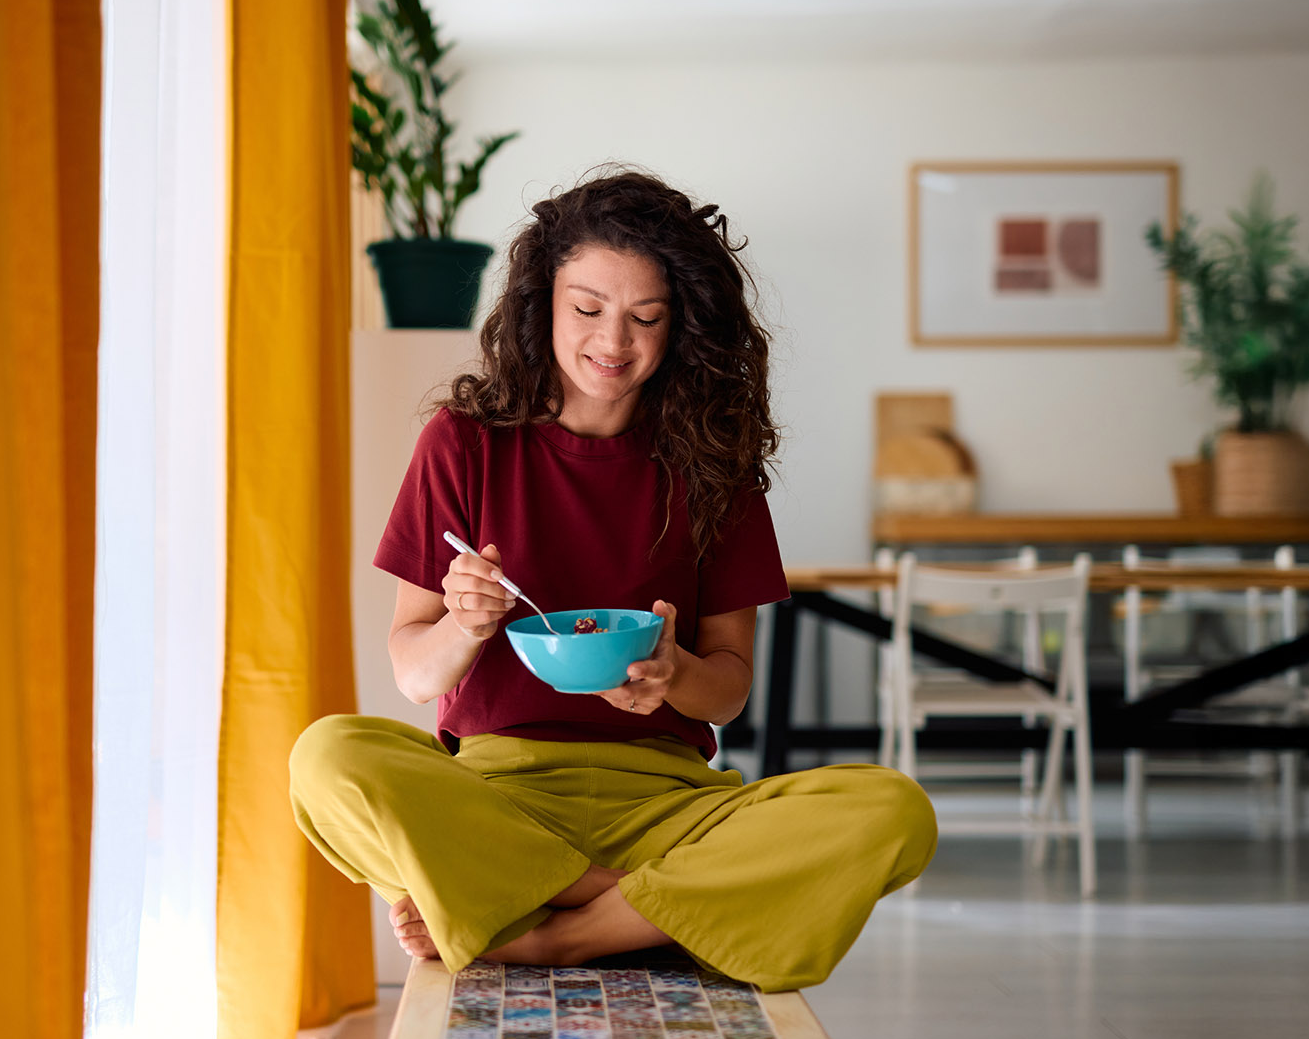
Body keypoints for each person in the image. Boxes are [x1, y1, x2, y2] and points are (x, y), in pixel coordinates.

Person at [289, 169, 936, 992]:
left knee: (892, 810)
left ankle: (551, 933)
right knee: (328, 755)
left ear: (682, 327)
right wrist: (465, 623)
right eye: (588, 310)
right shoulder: (463, 443)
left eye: (647, 317)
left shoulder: (716, 467)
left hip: (668, 806)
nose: (614, 342)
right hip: (496, 797)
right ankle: (643, 909)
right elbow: (414, 675)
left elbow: (729, 689)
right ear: (543, 306)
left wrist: (676, 676)